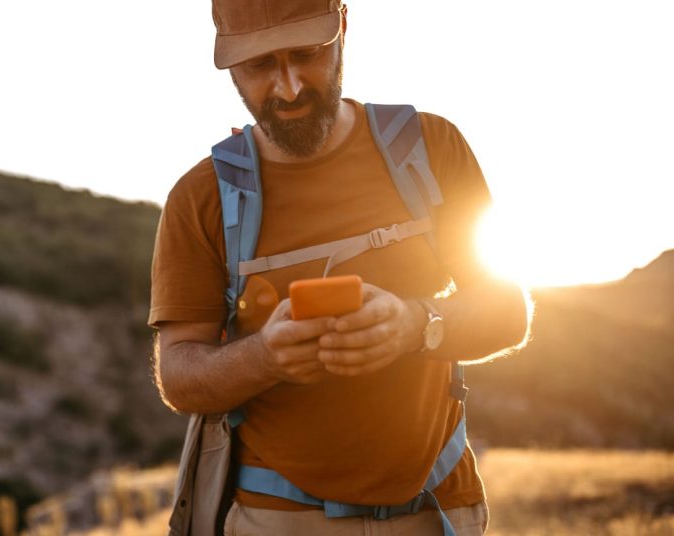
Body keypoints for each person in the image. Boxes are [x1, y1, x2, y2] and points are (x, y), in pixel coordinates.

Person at [148, 0, 530, 534]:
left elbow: (509, 312)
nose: (288, 87)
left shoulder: (431, 147)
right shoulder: (200, 198)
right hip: (276, 520)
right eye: (260, 67)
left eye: (306, 54)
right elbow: (179, 375)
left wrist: (414, 326)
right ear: (230, 64)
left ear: (343, 27)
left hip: (437, 510)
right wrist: (266, 357)